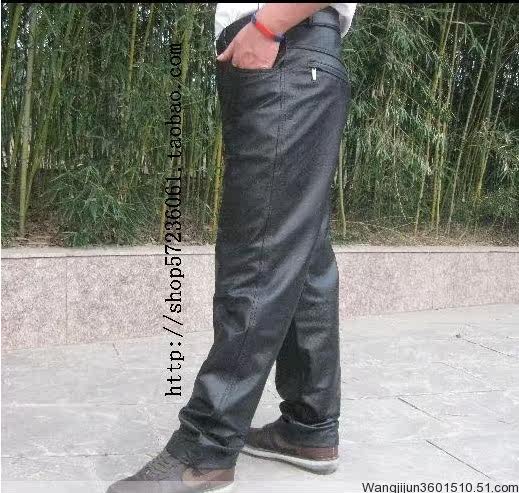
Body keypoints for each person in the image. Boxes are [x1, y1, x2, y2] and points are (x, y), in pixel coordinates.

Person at [107, 3, 356, 492]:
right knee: (304, 258)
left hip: (285, 49)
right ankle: (310, 426)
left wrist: (265, 27)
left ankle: (205, 448)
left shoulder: (274, 35)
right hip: (298, 56)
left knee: (257, 257)